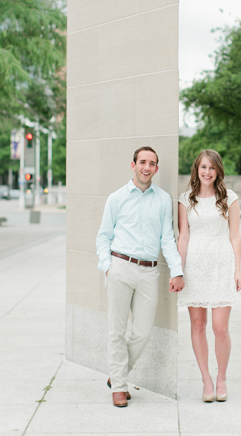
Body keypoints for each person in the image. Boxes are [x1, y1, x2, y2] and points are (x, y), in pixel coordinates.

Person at [96, 146, 185, 408]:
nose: (147, 167)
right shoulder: (116, 198)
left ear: (157, 168)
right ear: (133, 164)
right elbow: (103, 236)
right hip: (120, 267)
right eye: (142, 162)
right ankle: (120, 388)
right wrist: (107, 266)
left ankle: (117, 375)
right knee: (116, 330)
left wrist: (177, 270)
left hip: (149, 271)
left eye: (152, 163)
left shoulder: (163, 199)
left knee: (143, 332)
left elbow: (168, 239)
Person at [177, 149, 241, 403]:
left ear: (218, 171)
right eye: (203, 167)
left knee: (220, 328)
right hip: (194, 264)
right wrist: (179, 271)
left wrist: (237, 269)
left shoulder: (230, 198)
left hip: (221, 263)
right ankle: (206, 379)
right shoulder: (186, 199)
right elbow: (183, 236)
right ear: (197, 169)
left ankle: (222, 378)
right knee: (198, 325)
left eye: (212, 168)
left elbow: (234, 236)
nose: (207, 172)